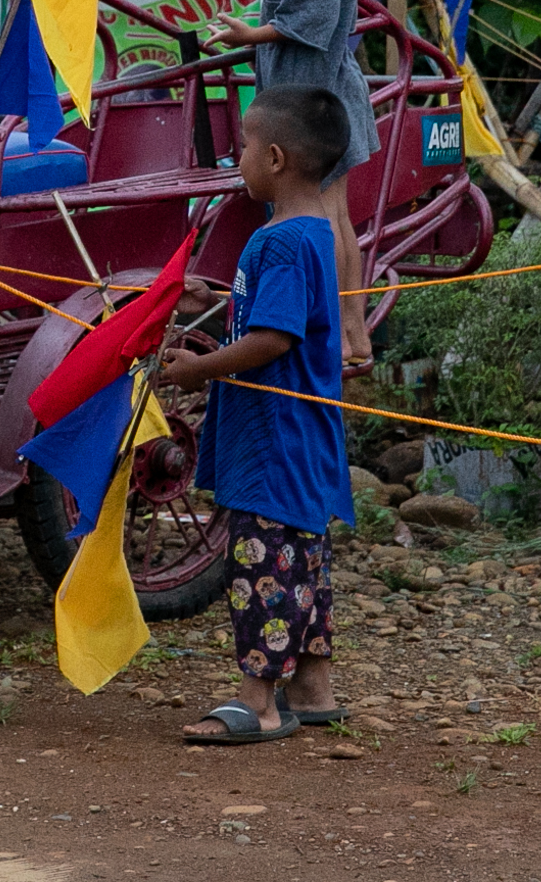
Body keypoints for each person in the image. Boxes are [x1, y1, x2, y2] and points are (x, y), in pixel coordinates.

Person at [159, 84, 357, 744]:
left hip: (274, 440)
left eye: (244, 143)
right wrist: (214, 297)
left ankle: (260, 703)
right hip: (301, 438)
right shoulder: (308, 234)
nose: (237, 155)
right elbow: (274, 311)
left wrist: (195, 369)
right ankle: (313, 687)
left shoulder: (282, 242)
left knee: (264, 565)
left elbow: (273, 339)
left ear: (275, 158)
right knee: (303, 558)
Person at [210, 0, 377, 367]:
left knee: (328, 215)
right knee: (334, 216)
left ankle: (345, 334)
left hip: (318, 97)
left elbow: (316, 12)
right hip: (311, 92)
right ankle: (349, 334)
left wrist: (250, 34)